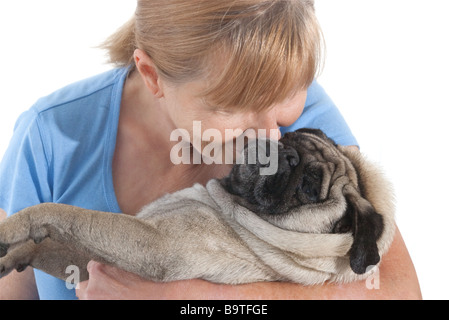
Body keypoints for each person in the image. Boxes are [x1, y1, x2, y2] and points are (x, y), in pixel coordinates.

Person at [0, 0, 421, 300]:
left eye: (287, 94)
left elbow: (398, 292)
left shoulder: (305, 122)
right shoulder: (52, 137)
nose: (271, 138)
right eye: (232, 108)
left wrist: (187, 297)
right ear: (152, 76)